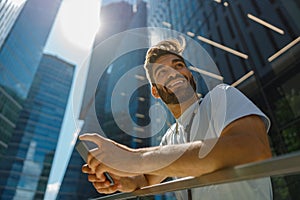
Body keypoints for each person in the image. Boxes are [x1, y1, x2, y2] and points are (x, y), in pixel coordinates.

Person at [80, 39, 273, 199]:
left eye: (178, 65)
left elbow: (254, 148)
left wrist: (134, 158)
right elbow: (145, 179)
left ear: (190, 75)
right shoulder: (170, 139)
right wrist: (123, 179)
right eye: (162, 72)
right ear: (155, 91)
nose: (173, 72)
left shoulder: (222, 97)